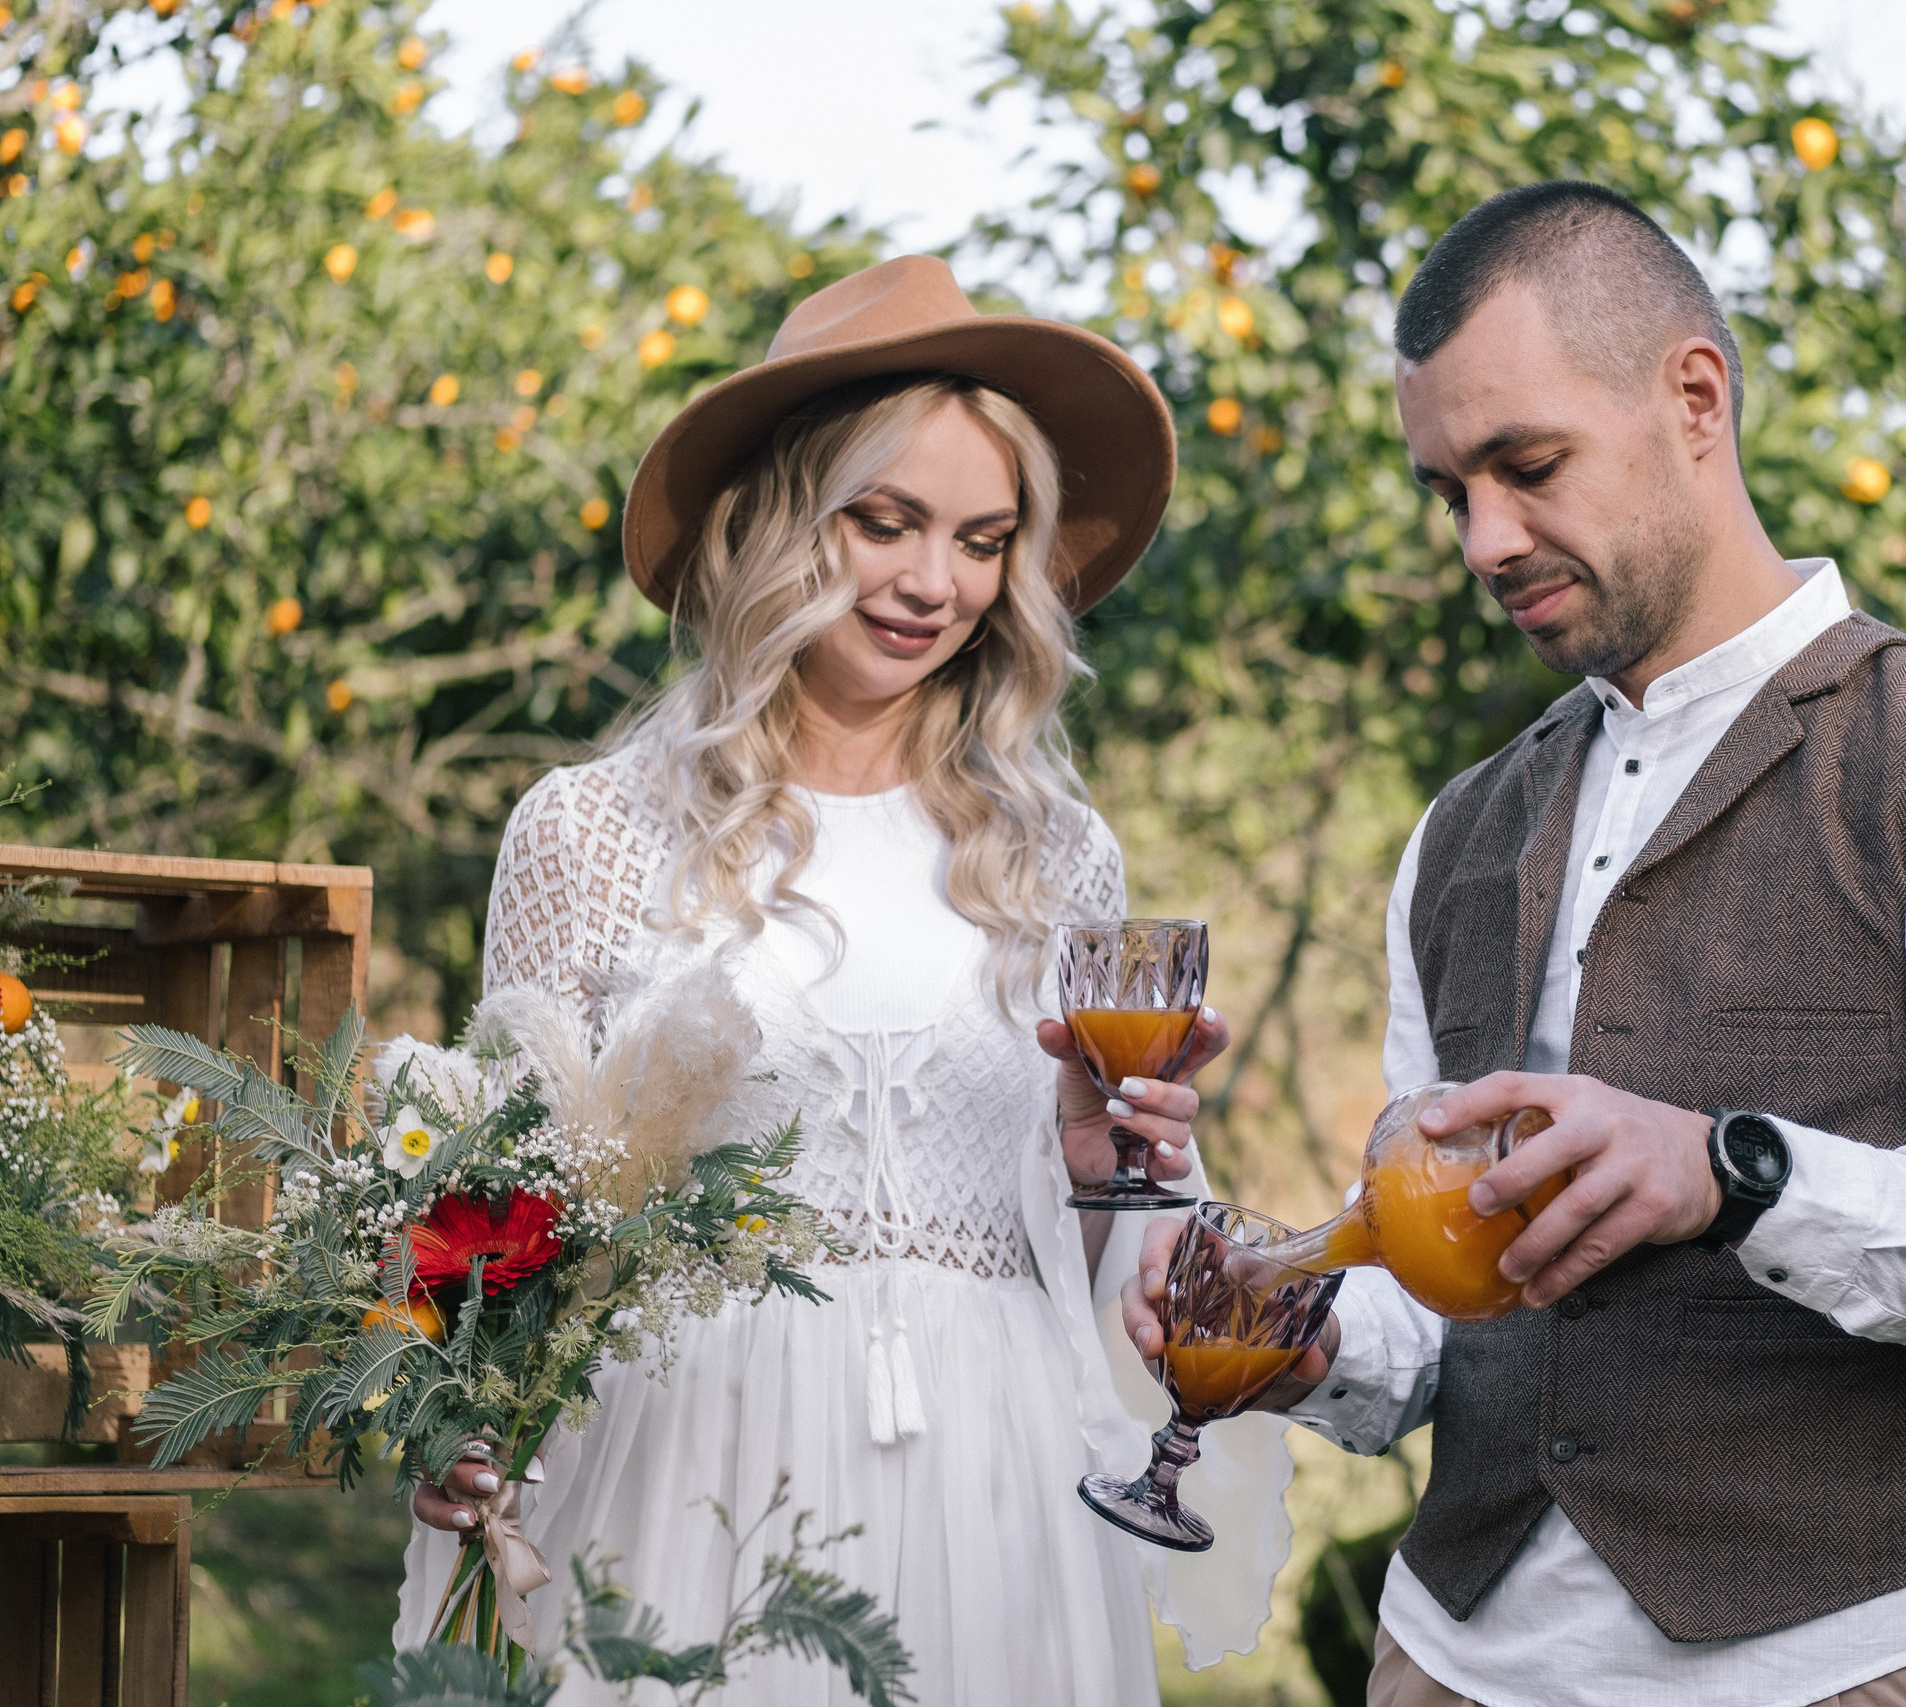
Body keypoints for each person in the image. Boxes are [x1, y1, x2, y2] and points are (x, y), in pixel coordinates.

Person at [1123, 182, 1906, 1707]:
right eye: (1449, 492)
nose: (1485, 539)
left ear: (1696, 397)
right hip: (1450, 1668)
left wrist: (1737, 1176)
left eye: (1528, 467)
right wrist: (1315, 1348)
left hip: (1850, 1669)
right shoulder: (1458, 833)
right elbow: (1454, 1303)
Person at [394, 256, 1295, 1704]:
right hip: (685, 1470)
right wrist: (450, 1412)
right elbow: (495, 1216)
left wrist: (1099, 1173)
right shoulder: (592, 830)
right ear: (776, 522)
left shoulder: (1059, 857)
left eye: (984, 541)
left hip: (997, 1479)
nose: (937, 584)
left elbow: (1068, 1269)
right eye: (885, 523)